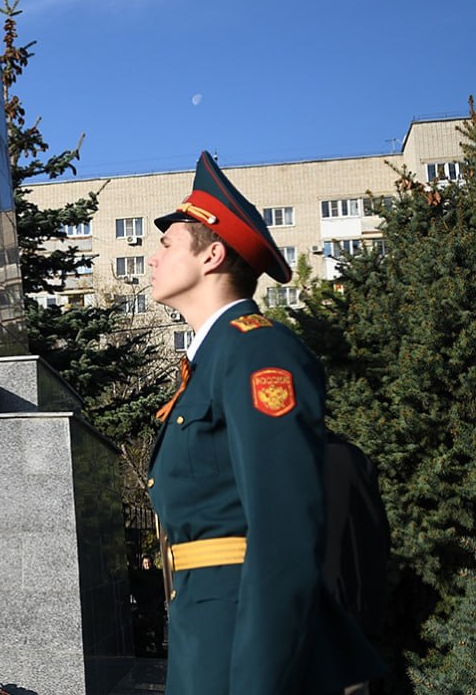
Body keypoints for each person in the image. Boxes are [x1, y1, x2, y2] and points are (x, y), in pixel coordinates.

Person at [146, 152, 384, 694]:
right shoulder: (212, 361)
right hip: (205, 626)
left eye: (166, 244)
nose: (152, 259)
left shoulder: (257, 352)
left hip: (242, 640)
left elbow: (283, 532)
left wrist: (260, 681)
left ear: (212, 255)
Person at [131, 554, 166, 656]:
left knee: (158, 627)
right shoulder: (140, 576)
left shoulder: (158, 574)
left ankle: (158, 646)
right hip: (144, 606)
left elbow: (162, 589)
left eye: (149, 563)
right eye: (145, 563)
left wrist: (159, 600)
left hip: (157, 605)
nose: (147, 565)